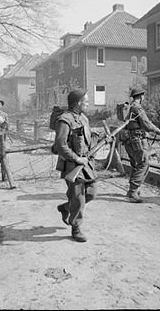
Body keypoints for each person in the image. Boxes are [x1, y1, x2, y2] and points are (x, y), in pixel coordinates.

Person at [54, 89, 97, 242]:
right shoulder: (65, 119)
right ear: (78, 103)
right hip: (73, 165)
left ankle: (65, 208)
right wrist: (77, 158)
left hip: (86, 163)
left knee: (91, 193)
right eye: (86, 101)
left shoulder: (83, 118)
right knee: (78, 198)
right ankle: (76, 228)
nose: (88, 103)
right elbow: (60, 144)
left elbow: (86, 140)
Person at [124, 86, 160, 203]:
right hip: (138, 140)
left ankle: (134, 189)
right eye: (143, 96)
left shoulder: (130, 107)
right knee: (144, 164)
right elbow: (146, 123)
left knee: (137, 165)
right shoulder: (137, 108)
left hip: (131, 141)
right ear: (141, 96)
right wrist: (158, 131)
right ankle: (133, 191)